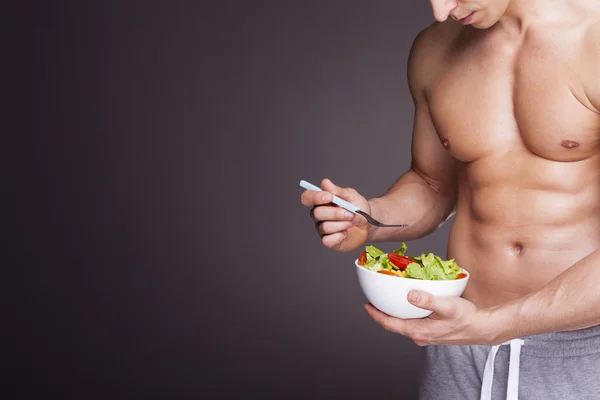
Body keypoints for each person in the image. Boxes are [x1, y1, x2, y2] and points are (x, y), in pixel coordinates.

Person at [300, 0, 600, 399]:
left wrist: (497, 324)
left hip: (582, 353)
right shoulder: (435, 48)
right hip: (460, 345)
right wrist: (371, 217)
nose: (441, 9)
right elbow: (432, 183)